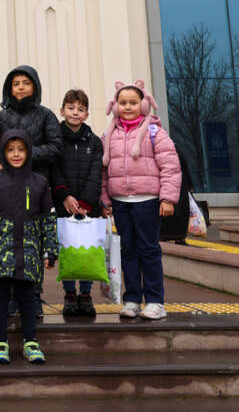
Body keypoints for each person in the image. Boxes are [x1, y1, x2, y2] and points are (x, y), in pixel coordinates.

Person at [0, 131, 58, 364]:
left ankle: (31, 342)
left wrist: (50, 249)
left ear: (28, 151)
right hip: (0, 251)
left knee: (28, 298)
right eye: (10, 149)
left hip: (29, 252)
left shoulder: (39, 182)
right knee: (0, 298)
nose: (16, 154)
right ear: (3, 153)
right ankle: (1, 342)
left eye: (21, 149)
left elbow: (48, 219)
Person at [99, 80, 180, 320]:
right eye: (122, 103)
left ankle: (155, 301)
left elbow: (170, 166)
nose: (127, 107)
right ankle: (132, 299)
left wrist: (168, 198)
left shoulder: (155, 131)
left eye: (133, 102)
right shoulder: (109, 134)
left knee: (149, 250)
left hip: (148, 200)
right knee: (128, 251)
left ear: (143, 104)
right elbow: (104, 170)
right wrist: (105, 199)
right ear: (115, 106)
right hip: (121, 201)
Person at [50, 88, 103, 316]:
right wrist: (65, 196)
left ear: (87, 114)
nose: (75, 113)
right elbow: (54, 170)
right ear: (62, 111)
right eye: (70, 108)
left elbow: (95, 173)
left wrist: (86, 202)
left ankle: (86, 293)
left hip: (87, 206)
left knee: (88, 248)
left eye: (80, 109)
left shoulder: (95, 141)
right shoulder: (55, 139)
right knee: (69, 248)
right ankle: (70, 293)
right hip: (64, 203)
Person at [0, 65, 62, 173]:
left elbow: (56, 148)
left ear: (35, 87)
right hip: (8, 178)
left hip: (37, 178)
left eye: (26, 83)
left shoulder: (46, 114)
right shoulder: (2, 116)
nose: (21, 87)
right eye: (16, 84)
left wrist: (25, 153)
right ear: (10, 88)